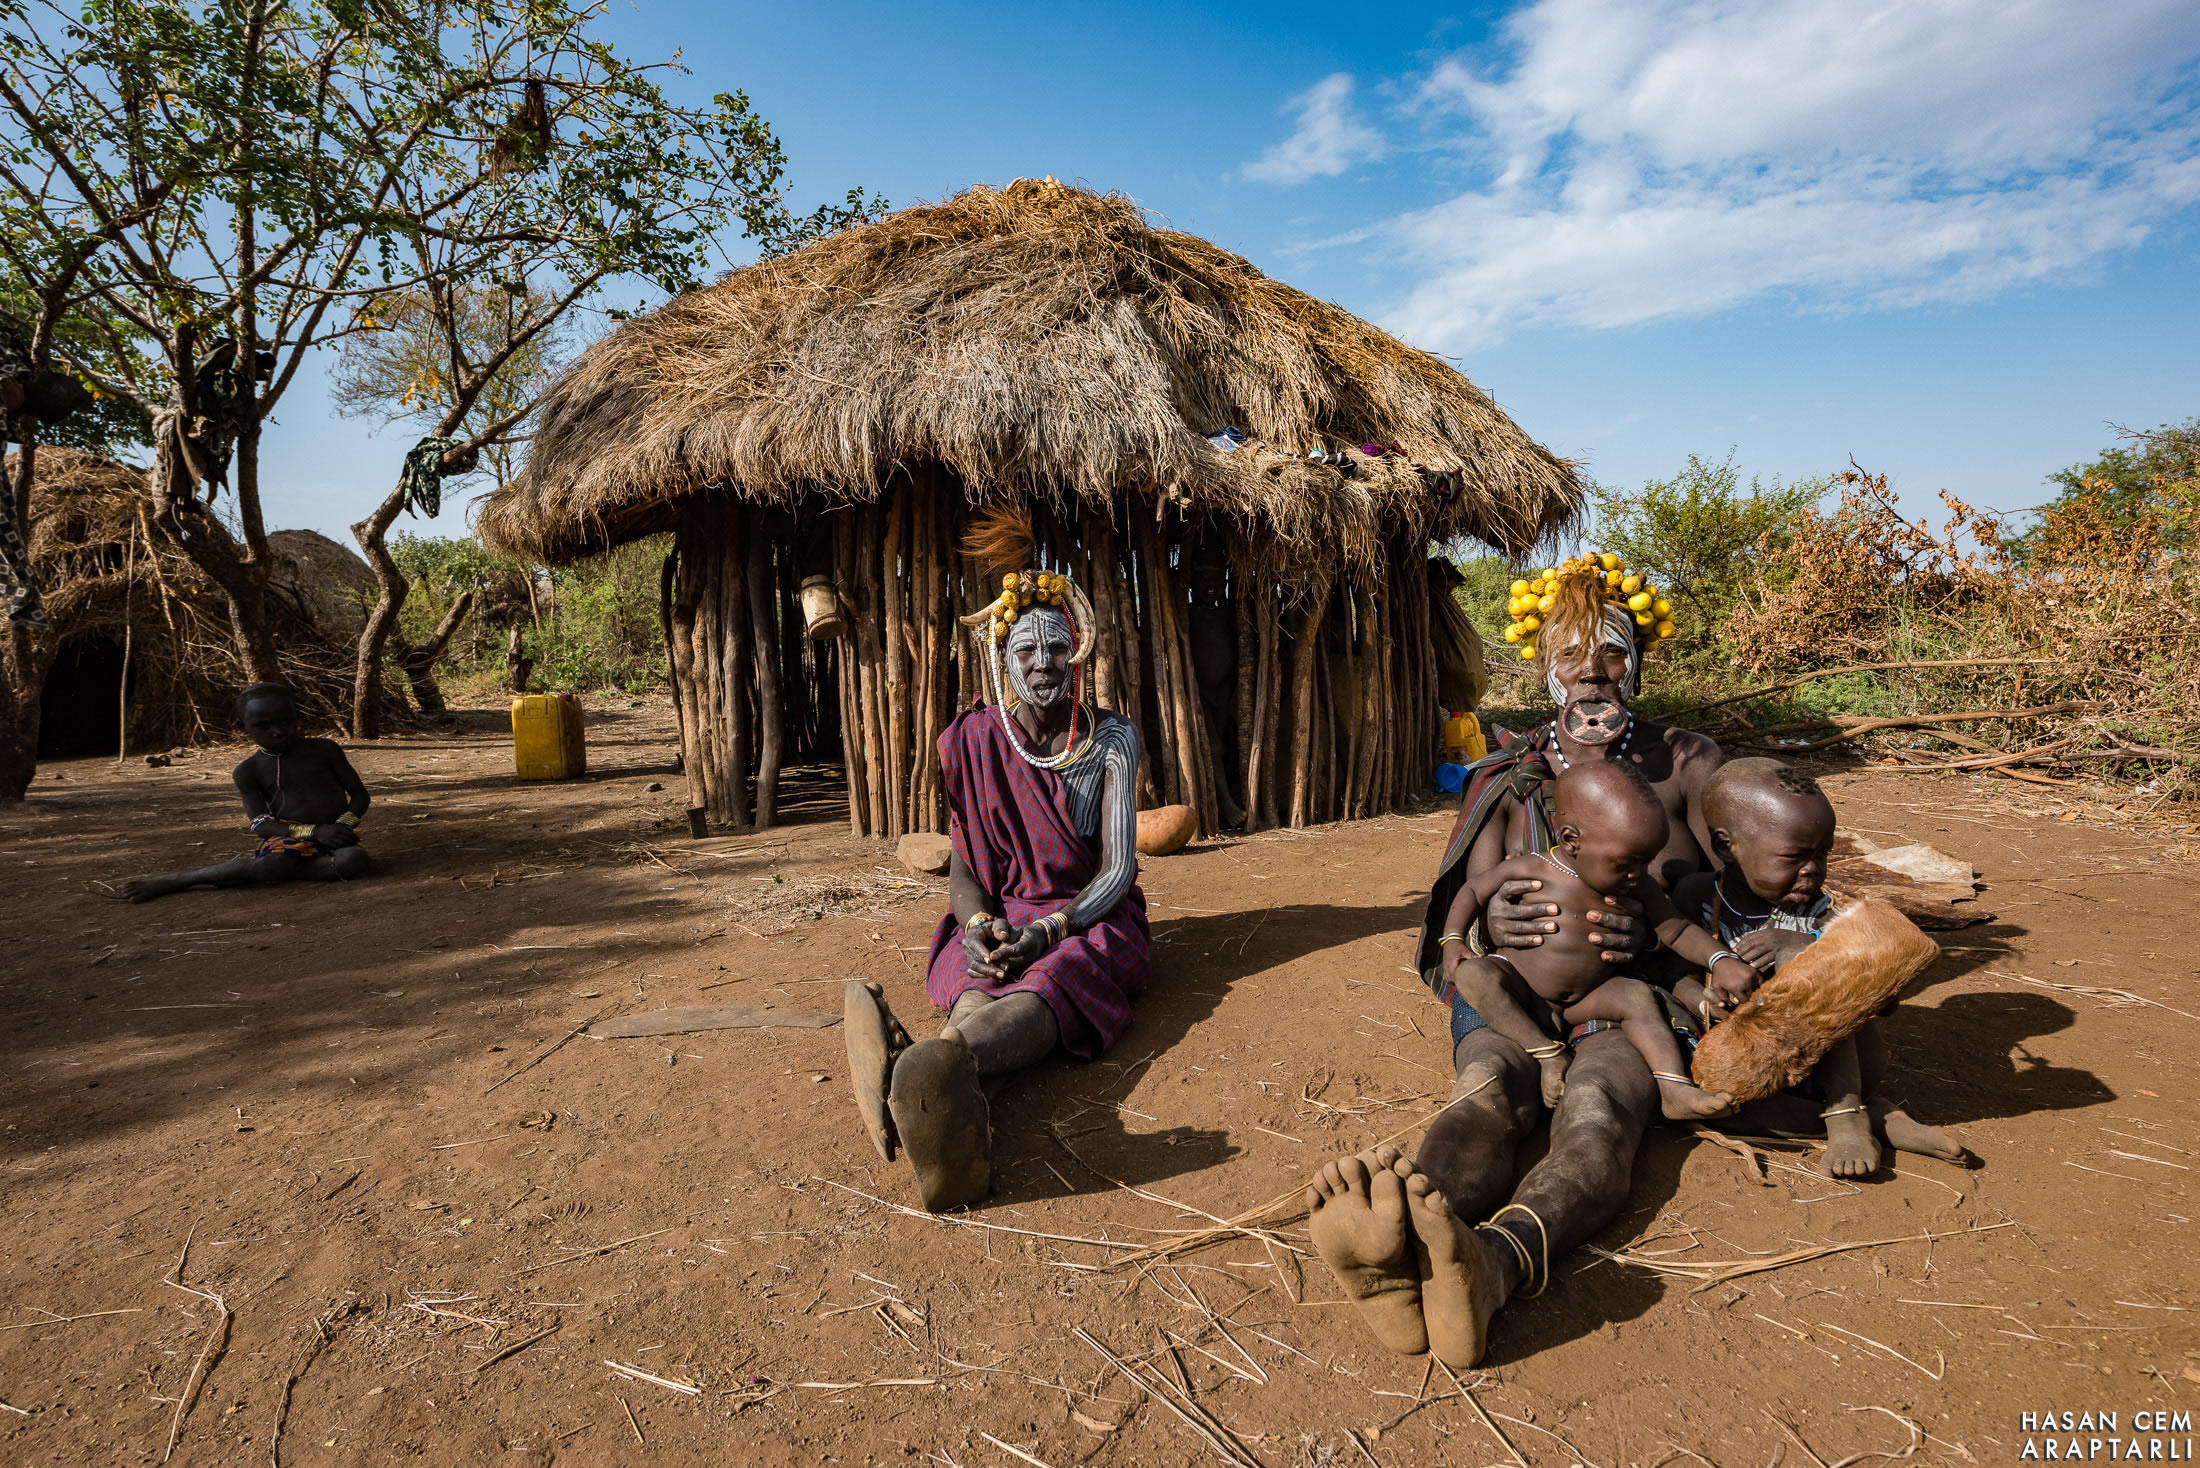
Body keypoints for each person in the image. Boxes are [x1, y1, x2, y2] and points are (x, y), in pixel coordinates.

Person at [1308, 550, 1723, 1369]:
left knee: (1598, 1110)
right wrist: (1492, 919)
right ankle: (1409, 1239)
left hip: (1628, 994)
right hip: (1517, 993)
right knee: (1486, 1089)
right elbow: (1469, 891)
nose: (1591, 672)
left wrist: (1659, 927)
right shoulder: (1509, 773)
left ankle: (1493, 1263)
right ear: (1543, 667)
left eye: (1611, 652)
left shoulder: (1685, 762)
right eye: (1571, 654)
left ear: (1639, 659)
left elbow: (1745, 887)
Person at [843, 552, 1148, 1212]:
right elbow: (965, 869)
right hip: (1006, 911)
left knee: (1059, 974)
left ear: (1077, 653)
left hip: (1089, 916)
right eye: (1028, 650)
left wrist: (1051, 929)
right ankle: (943, 1078)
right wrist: (980, 926)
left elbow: (1118, 869)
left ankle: (932, 1065)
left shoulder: (1112, 739)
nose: (1044, 664)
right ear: (1003, 659)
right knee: (979, 970)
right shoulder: (976, 740)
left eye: (1057, 648)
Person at [1671, 758, 1968, 1177]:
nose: (1811, 870)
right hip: (1755, 1066)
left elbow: (1883, 1002)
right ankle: (1878, 1120)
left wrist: (1803, 945)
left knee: (1804, 960)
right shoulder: (1696, 896)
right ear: (1725, 847)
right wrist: (1704, 1001)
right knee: (1725, 1112)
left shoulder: (1824, 911)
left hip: (1839, 1072)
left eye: (1822, 854)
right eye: (1793, 857)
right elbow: (1672, 974)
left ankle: (1847, 1113)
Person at [1436, 761, 1758, 1121]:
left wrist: (1721, 959)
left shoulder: (1639, 885)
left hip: (1586, 998)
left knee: (1635, 995)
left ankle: (1673, 1088)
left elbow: (1677, 930)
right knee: (1474, 975)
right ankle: (1546, 1053)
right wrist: (1453, 940)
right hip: (1522, 986)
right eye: (1626, 863)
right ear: (1571, 841)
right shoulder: (1530, 868)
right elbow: (1473, 890)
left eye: (1647, 862)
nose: (1639, 874)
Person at [121, 683, 371, 902]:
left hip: (337, 835)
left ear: (298, 717)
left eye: (286, 721)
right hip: (288, 838)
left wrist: (342, 826)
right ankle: (181, 880)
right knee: (274, 863)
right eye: (263, 726)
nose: (277, 731)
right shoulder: (248, 770)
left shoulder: (325, 750)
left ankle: (267, 874)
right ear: (243, 727)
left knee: (354, 860)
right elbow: (260, 823)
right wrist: (315, 832)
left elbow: (360, 795)